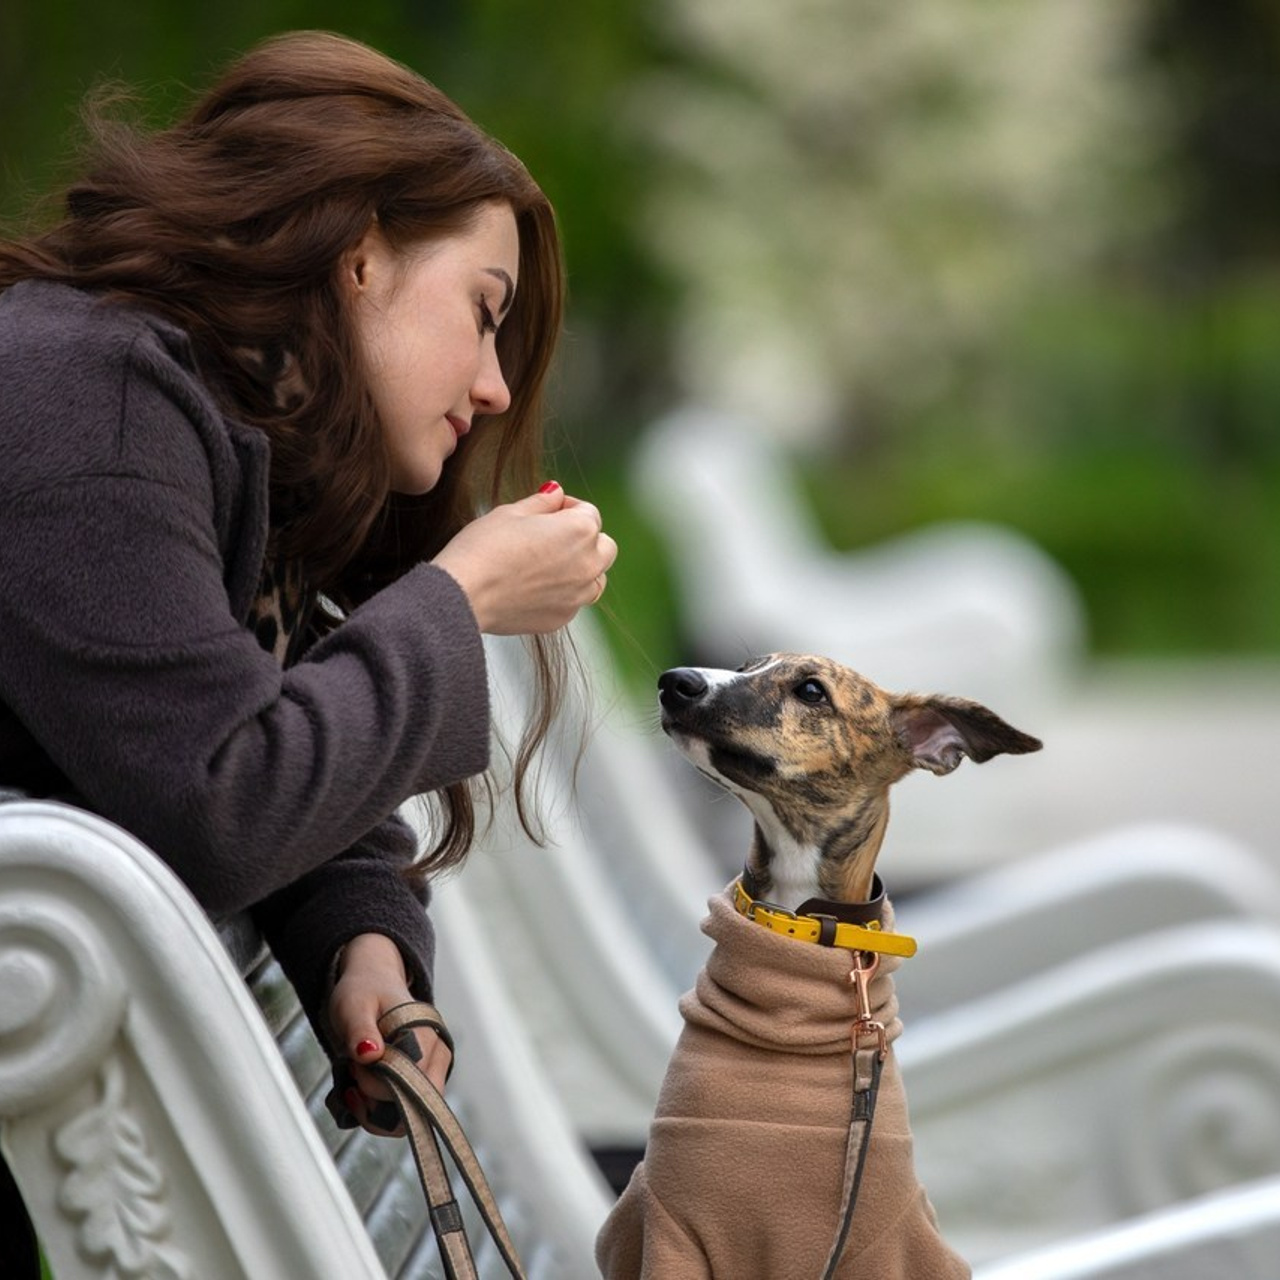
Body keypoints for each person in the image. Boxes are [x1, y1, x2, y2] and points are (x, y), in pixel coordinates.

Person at [0, 29, 616, 1273]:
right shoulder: (83, 395)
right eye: (482, 313)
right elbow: (218, 798)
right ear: (360, 257)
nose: (495, 387)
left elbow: (230, 726)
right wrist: (457, 598)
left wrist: (359, 942)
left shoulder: (190, 412)